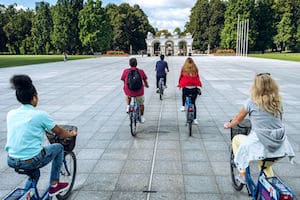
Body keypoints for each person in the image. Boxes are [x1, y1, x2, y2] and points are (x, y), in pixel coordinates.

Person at [5, 74, 77, 196]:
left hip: (11, 159)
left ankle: (27, 195)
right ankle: (54, 184)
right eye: (37, 95)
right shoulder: (40, 115)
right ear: (34, 98)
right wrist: (71, 134)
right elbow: (59, 132)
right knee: (59, 148)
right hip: (30, 160)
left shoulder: (11, 113)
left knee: (34, 174)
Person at [224, 73, 295, 183]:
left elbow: (238, 119)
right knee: (265, 166)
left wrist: (228, 125)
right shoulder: (278, 102)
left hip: (260, 140)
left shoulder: (251, 102)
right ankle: (270, 187)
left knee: (236, 139)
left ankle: (242, 174)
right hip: (281, 144)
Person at [121, 58, 149, 123]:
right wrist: (146, 85)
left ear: (129, 64)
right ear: (136, 64)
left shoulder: (126, 71)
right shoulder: (141, 71)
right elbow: (145, 80)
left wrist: (126, 85)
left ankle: (128, 106)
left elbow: (123, 79)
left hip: (129, 91)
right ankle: (141, 117)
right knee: (141, 104)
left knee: (128, 95)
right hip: (139, 92)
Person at [178, 57, 202, 124]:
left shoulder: (184, 68)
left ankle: (183, 106)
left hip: (186, 88)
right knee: (193, 103)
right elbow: (197, 77)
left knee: (184, 93)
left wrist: (180, 84)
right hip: (194, 88)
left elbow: (181, 77)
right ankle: (195, 119)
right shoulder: (195, 68)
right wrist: (198, 84)